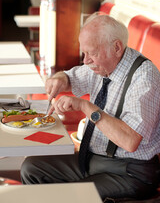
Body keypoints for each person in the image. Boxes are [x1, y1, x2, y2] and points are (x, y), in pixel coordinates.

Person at [21, 13, 160, 202]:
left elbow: (130, 141)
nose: (86, 61)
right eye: (84, 53)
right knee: (32, 168)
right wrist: (60, 79)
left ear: (117, 47)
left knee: (66, 196)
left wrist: (86, 107)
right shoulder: (103, 64)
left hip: (130, 172)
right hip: (92, 158)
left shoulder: (144, 78)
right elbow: (71, 77)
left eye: (92, 53)